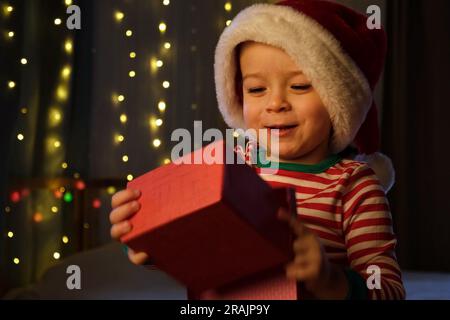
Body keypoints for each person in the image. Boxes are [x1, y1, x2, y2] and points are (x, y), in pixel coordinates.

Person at [109, 0, 405, 299]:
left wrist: (330, 280)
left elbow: (390, 289)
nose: (275, 103)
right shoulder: (229, 165)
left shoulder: (356, 186)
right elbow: (189, 241)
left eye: (300, 86)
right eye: (256, 89)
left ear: (338, 101)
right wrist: (143, 233)